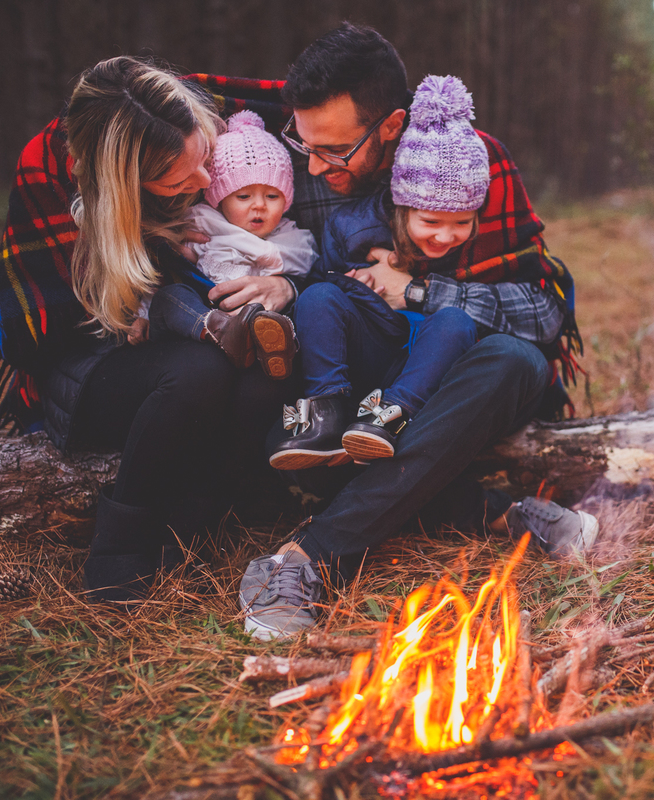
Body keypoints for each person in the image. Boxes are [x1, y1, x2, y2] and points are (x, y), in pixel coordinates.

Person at [238, 23, 596, 641]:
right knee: (295, 430)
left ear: (391, 126)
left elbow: (543, 313)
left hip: (459, 386)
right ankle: (494, 512)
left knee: (512, 360)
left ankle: (306, 557)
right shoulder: (295, 165)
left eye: (335, 151)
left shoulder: (471, 160)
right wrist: (289, 287)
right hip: (356, 396)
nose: (315, 166)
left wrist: (420, 292)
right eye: (305, 144)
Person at [0, 57, 301, 601]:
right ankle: (118, 549)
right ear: (124, 189)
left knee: (263, 370)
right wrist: (145, 260)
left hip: (197, 324)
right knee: (198, 370)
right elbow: (40, 332)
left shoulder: (182, 109)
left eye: (204, 156)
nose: (206, 182)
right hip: (94, 351)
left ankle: (189, 534)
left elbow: (322, 105)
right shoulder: (51, 166)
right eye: (179, 179)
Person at [270, 74, 491, 469]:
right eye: (430, 221)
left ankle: (385, 421)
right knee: (319, 296)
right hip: (370, 342)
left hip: (428, 358)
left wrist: (416, 289)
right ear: (402, 205)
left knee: (455, 320)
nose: (446, 236)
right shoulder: (351, 226)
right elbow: (321, 297)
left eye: (462, 222)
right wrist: (352, 286)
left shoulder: (478, 243)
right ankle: (325, 412)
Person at [142, 110, 310, 379]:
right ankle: (221, 331)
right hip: (205, 312)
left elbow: (304, 261)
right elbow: (162, 270)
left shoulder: (291, 237)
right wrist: (141, 315)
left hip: (261, 314)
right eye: (243, 196)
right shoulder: (202, 223)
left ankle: (269, 345)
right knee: (171, 296)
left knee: (283, 317)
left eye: (272, 196)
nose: (259, 205)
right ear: (219, 199)